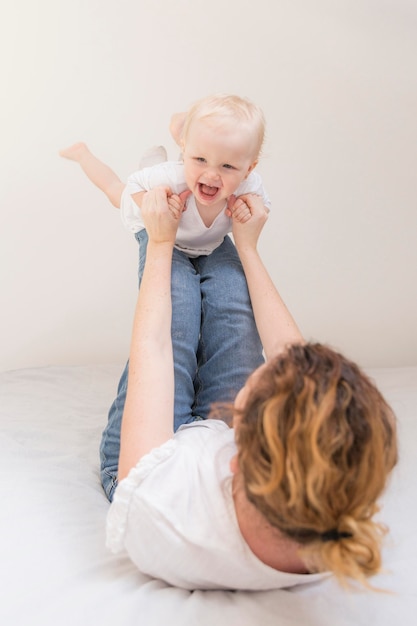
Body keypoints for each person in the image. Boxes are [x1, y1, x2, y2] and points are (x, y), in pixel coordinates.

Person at [105, 190, 398, 591]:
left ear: (236, 462)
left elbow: (153, 348)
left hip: (155, 458)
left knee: (178, 305)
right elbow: (295, 363)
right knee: (232, 293)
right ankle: (216, 236)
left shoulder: (156, 505)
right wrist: (248, 247)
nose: (271, 360)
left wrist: (159, 241)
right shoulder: (335, 521)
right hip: (225, 448)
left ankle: (161, 214)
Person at [60, 94, 271, 500]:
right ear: (186, 158)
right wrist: (157, 218)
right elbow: (139, 195)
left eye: (228, 165)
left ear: (248, 168)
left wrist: (248, 214)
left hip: (210, 242)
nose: (213, 174)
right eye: (200, 160)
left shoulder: (248, 183)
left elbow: (259, 203)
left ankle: (183, 129)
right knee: (181, 309)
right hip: (164, 224)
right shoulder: (169, 179)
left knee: (233, 307)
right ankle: (88, 154)